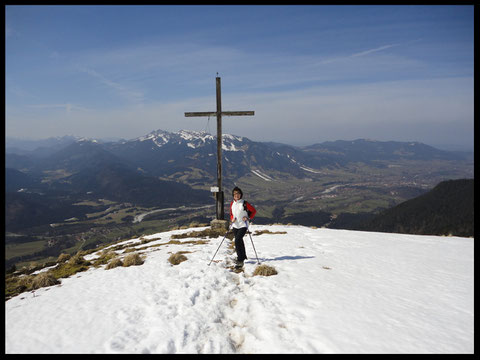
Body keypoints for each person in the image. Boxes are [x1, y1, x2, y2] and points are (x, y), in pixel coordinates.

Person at [229, 186, 256, 268]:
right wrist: (232, 219)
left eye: (238, 193)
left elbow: (253, 211)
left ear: (241, 194)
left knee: (237, 241)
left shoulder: (244, 203)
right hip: (235, 225)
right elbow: (231, 213)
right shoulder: (232, 203)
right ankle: (243, 257)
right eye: (234, 194)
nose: (236, 195)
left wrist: (248, 218)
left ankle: (240, 260)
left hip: (243, 225)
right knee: (239, 241)